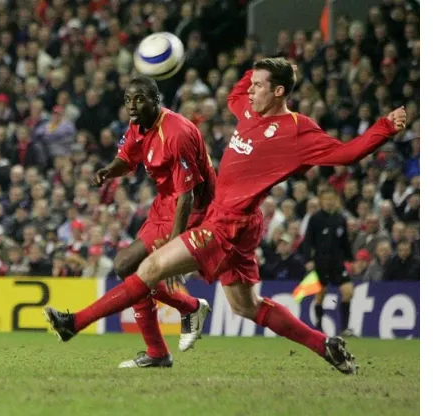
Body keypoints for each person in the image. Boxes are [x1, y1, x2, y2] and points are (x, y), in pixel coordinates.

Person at [45, 58, 406, 375]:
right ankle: (323, 344)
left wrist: (384, 127)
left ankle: (74, 323)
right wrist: (262, 67)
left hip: (226, 225)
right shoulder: (247, 108)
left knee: (149, 269)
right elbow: (237, 92)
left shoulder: (297, 130)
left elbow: (346, 154)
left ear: (279, 91)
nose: (250, 92)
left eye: (260, 86)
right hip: (239, 224)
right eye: (251, 85)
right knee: (246, 306)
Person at [91, 76, 215, 368]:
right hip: (164, 205)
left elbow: (188, 195)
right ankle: (168, 337)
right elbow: (128, 159)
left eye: (139, 99)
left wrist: (173, 248)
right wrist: (109, 171)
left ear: (155, 100)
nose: (131, 106)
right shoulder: (138, 125)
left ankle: (182, 319)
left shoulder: (177, 133)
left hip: (194, 208)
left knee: (128, 266)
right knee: (126, 267)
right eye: (128, 100)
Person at [302, 188, 355, 336]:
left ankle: (345, 328)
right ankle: (319, 328)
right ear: (321, 201)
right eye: (326, 199)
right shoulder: (315, 219)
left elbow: (345, 243)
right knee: (320, 296)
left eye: (331, 198)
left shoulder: (340, 219)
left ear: (336, 200)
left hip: (338, 263)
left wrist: (351, 260)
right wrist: (308, 260)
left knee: (348, 291)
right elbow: (307, 242)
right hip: (321, 263)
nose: (329, 202)